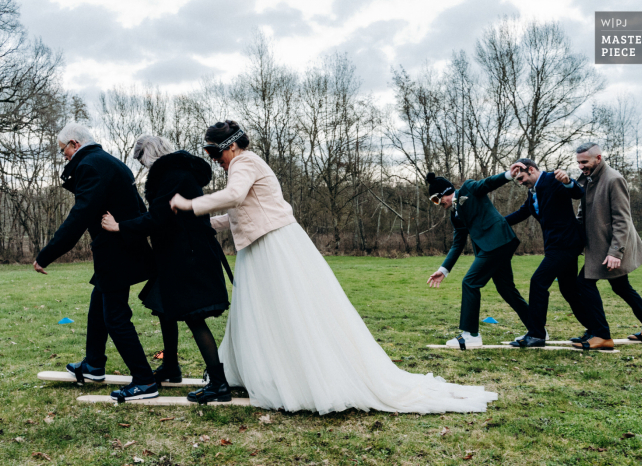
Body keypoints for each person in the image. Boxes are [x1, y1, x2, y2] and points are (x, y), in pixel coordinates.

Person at [169, 120, 497, 414]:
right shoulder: (246, 163)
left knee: (282, 309)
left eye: (215, 152)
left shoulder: (244, 161)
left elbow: (236, 195)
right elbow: (245, 210)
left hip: (272, 247)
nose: (215, 159)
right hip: (263, 245)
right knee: (262, 312)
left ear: (230, 146)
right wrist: (207, 223)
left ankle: (294, 376)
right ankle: (254, 373)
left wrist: (190, 205)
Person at [101, 135, 232, 404]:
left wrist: (120, 226)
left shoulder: (174, 174)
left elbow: (159, 217)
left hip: (188, 256)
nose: (144, 167)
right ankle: (171, 367)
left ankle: (219, 384)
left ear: (148, 155)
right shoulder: (176, 172)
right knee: (163, 305)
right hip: (178, 254)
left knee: (194, 317)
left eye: (142, 161)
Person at [33, 123, 158, 402]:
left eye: (62, 149)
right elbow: (137, 208)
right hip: (121, 249)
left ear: (74, 144)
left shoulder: (91, 166)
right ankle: (94, 365)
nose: (62, 156)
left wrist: (47, 254)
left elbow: (80, 216)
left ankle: (144, 380)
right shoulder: (108, 162)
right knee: (97, 305)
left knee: (115, 316)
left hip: (117, 252)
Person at [572, 142, 642, 351]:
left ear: (599, 158)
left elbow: (622, 220)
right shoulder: (588, 178)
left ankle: (601, 335)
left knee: (584, 284)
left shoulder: (614, 179)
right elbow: (582, 211)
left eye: (584, 162)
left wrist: (616, 252)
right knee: (621, 287)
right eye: (578, 162)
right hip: (598, 245)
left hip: (610, 247)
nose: (581, 166)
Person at [426, 171, 529, 349]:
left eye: (437, 199)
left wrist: (509, 174)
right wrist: (443, 270)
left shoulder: (468, 189)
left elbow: (488, 183)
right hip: (495, 246)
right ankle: (537, 328)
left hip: (498, 241)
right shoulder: (455, 215)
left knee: (470, 283)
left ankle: (471, 335)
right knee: (506, 289)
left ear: (445, 193)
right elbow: (457, 245)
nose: (438, 204)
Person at [504, 159, 587, 348]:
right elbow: (522, 212)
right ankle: (595, 329)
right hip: (556, 245)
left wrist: (567, 181)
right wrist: (494, 224)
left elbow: (577, 192)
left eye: (522, 177)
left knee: (538, 282)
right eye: (517, 180)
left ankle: (536, 334)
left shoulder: (553, 179)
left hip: (565, 244)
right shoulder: (533, 192)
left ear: (531, 169)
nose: (520, 182)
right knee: (569, 289)